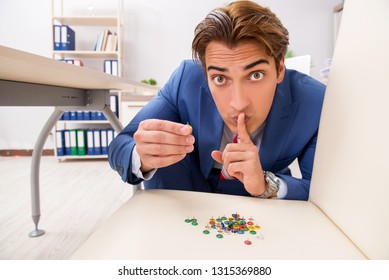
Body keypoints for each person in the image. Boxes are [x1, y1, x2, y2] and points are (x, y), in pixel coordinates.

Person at [108, 0, 325, 200]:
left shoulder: (314, 101)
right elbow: (120, 146)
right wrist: (143, 155)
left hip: (259, 208)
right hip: (183, 199)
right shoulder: (186, 79)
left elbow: (322, 193)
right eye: (220, 78)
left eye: (255, 75)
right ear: (205, 73)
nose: (239, 103)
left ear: (279, 70)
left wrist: (266, 184)